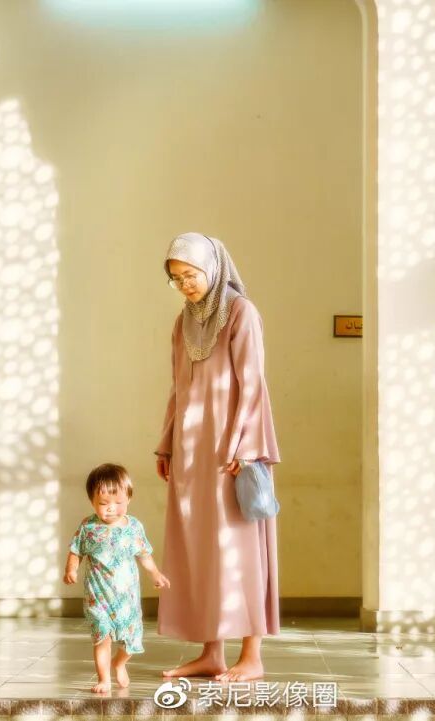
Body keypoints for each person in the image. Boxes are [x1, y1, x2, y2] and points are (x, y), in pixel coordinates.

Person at [155, 232, 280, 682]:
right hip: (192, 452)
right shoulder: (183, 323)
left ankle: (252, 656)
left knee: (239, 547)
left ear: (212, 266)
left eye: (190, 275)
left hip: (232, 451)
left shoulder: (241, 313)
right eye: (176, 279)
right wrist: (167, 443)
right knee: (202, 550)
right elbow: (179, 388)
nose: (185, 285)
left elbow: (253, 383)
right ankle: (212, 653)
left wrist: (244, 445)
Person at [64, 463, 170, 694]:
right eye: (104, 503)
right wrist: (71, 569)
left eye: (118, 502)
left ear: (129, 499)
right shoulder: (89, 527)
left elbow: (143, 554)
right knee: (102, 636)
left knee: (132, 639)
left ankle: (119, 663)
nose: (111, 508)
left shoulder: (133, 527)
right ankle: (104, 679)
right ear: (92, 501)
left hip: (126, 598)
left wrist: (155, 573)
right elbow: (76, 550)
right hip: (98, 597)